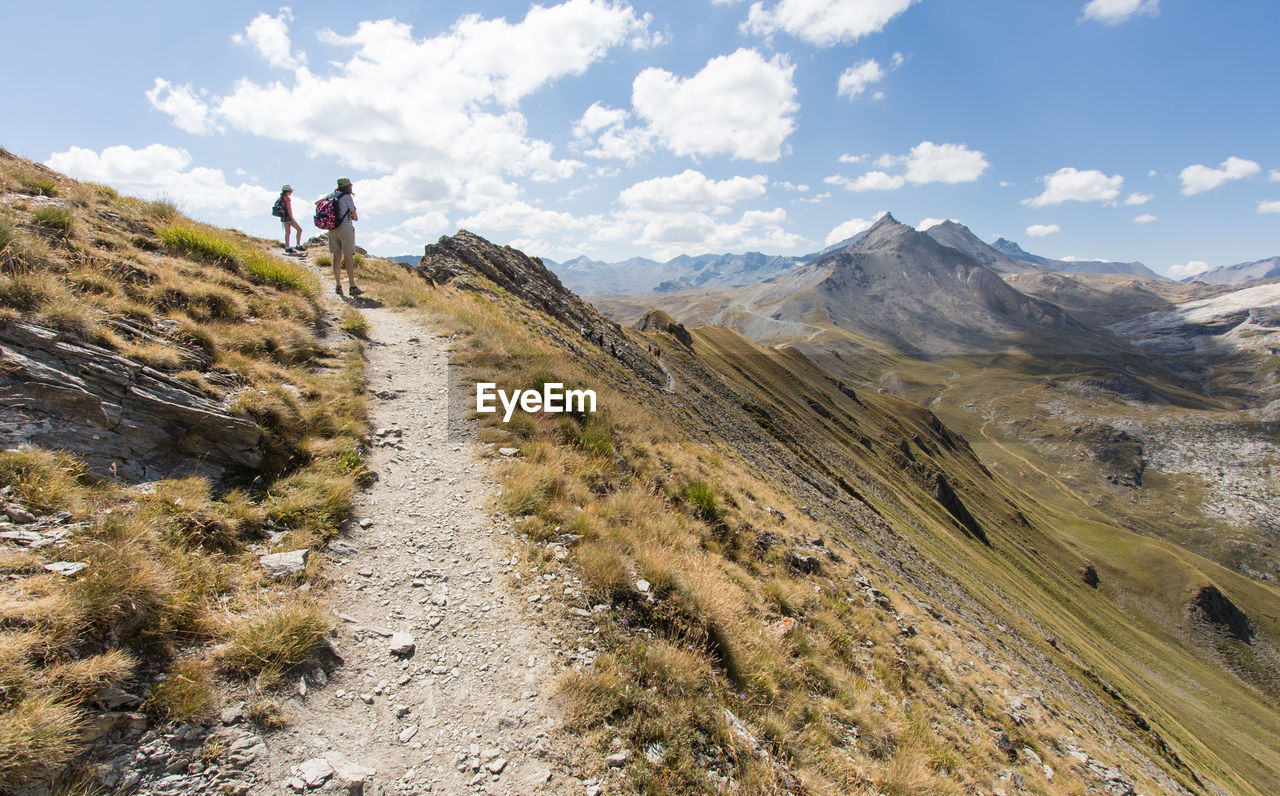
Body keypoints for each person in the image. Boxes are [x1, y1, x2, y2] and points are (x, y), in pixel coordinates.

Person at [328, 177, 361, 295]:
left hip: (332, 228)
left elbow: (318, 203)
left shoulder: (331, 196)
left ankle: (338, 285)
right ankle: (352, 287)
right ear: (348, 186)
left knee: (336, 257)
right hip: (345, 227)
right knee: (348, 257)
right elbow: (355, 216)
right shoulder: (347, 197)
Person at [278, 185, 304, 254]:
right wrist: (292, 218)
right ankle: (298, 245)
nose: (291, 192)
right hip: (288, 217)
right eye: (291, 191)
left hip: (283, 217)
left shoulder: (281, 198)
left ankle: (287, 247)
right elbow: (289, 209)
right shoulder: (287, 198)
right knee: (299, 230)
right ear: (288, 191)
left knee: (287, 232)